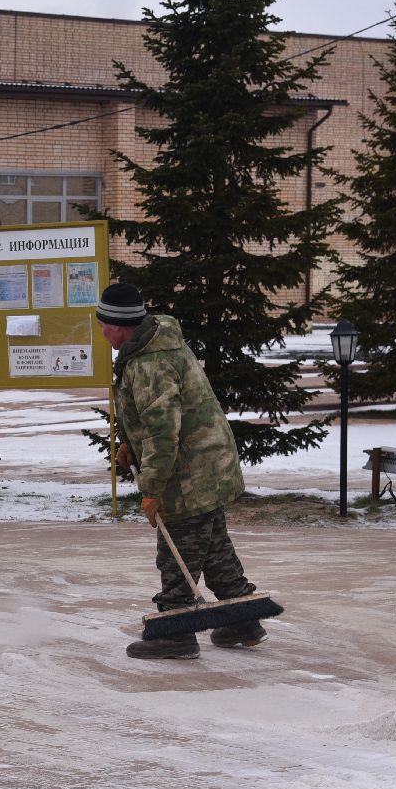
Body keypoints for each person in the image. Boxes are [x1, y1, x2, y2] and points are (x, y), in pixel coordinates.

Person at [97, 282, 268, 660]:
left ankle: (175, 631)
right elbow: (155, 417)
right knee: (212, 547)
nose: (102, 332)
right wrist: (129, 441)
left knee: (177, 551)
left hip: (188, 472)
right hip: (207, 462)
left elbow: (163, 431)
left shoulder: (149, 362)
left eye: (103, 325)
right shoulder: (154, 344)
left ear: (119, 326)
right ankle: (242, 619)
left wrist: (152, 489)